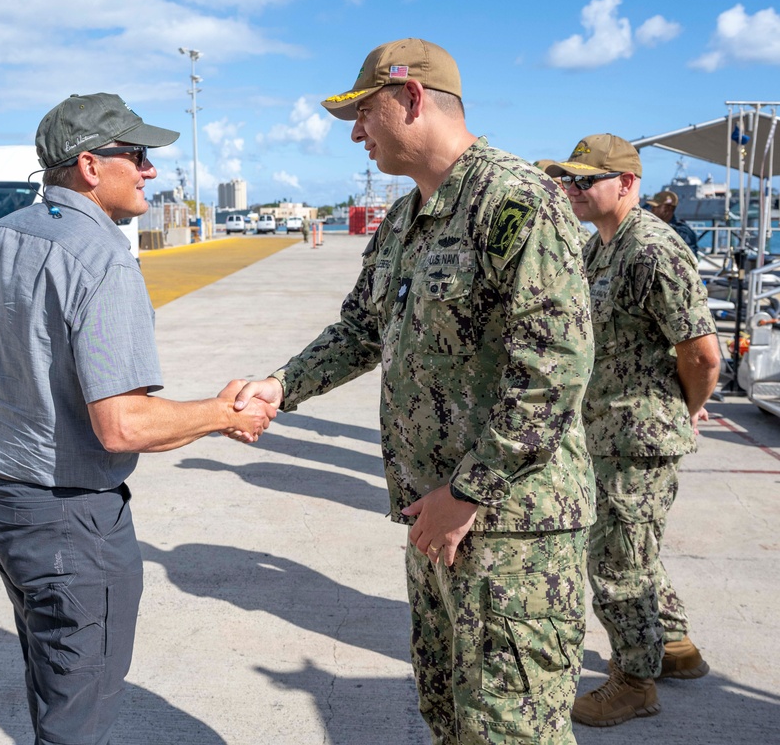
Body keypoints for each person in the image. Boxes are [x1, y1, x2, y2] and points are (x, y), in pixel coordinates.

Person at [232, 39, 596, 744]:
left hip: (512, 529)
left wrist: (467, 494)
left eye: (364, 111)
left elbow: (552, 372)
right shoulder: (405, 219)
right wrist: (280, 386)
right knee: (449, 716)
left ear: (413, 99)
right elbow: (361, 329)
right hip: (436, 522)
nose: (354, 132)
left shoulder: (517, 203)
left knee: (511, 731)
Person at [0, 92, 274, 745]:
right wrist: (222, 414)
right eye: (136, 154)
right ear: (89, 166)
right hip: (65, 522)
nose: (150, 170)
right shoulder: (100, 258)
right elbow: (121, 425)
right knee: (80, 717)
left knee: (53, 680)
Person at [543, 135, 720, 728]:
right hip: (609, 431)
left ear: (627, 183)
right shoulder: (602, 248)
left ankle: (634, 682)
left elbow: (701, 353)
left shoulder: (651, 250)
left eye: (586, 180)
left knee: (618, 564)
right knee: (635, 549)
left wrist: (685, 407)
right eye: (570, 180)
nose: (574, 190)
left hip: (637, 438)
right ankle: (672, 648)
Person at [648, 189, 700, 255]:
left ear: (668, 209)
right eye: (652, 206)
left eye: (656, 207)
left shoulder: (681, 232)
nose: (652, 209)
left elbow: (690, 257)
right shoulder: (652, 226)